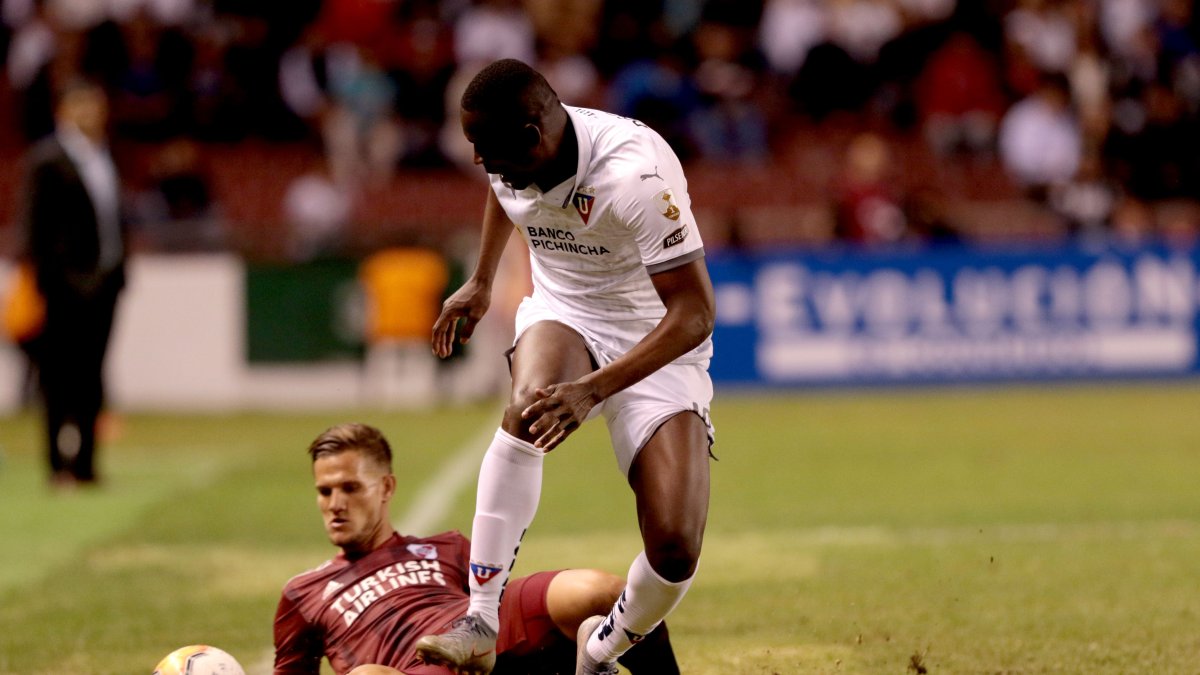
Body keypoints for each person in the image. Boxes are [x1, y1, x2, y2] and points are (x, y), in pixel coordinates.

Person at [419, 59, 715, 675]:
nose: (478, 161)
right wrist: (481, 279)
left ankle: (601, 650)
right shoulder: (516, 153)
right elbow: (505, 192)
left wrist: (592, 390)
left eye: (485, 146)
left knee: (675, 547)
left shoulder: (635, 176)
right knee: (529, 408)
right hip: (567, 311)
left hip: (656, 338)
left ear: (533, 135)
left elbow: (694, 314)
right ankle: (479, 618)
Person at [273, 422, 680, 675]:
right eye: (324, 491)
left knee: (601, 592)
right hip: (409, 668)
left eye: (350, 488)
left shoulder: (445, 547)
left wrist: (475, 643)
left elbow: (499, 604)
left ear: (386, 488)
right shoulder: (303, 593)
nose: (335, 503)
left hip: (478, 641)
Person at [21, 78, 126, 489]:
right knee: (58, 378)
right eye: (81, 105)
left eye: (95, 105)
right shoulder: (47, 160)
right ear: (63, 111)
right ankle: (55, 464)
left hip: (106, 283)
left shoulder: (104, 156)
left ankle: (85, 463)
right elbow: (35, 229)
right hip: (64, 288)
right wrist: (53, 280)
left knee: (93, 376)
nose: (90, 113)